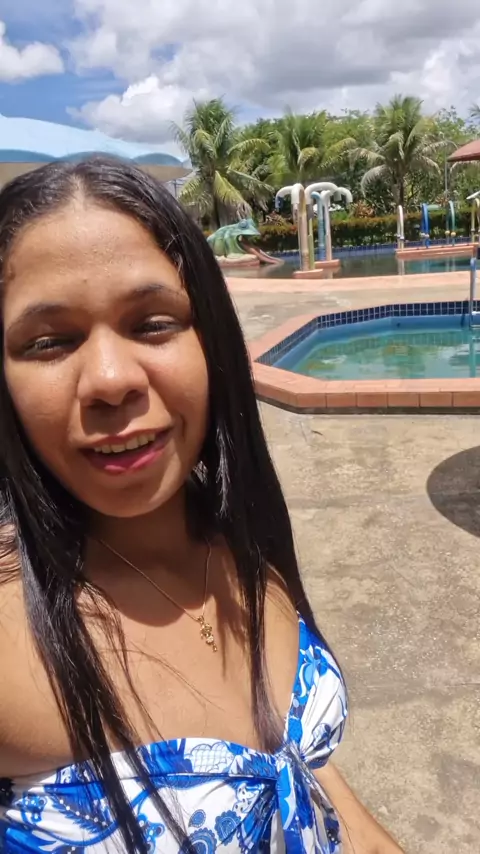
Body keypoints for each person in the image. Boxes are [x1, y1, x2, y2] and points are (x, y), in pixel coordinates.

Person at [0, 157, 404, 853]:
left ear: (210, 338)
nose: (110, 380)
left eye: (153, 324)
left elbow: (303, 775)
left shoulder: (237, 536)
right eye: (50, 342)